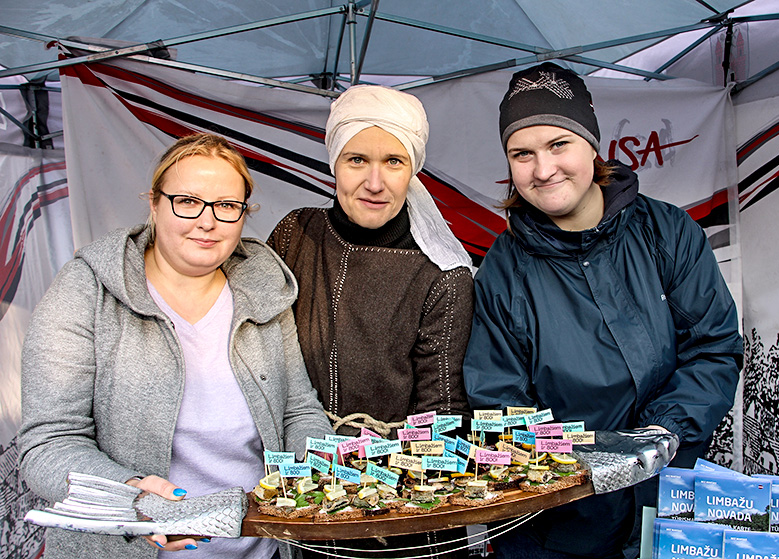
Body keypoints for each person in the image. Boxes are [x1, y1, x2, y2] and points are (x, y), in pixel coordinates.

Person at [462, 62, 743, 559]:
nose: (543, 169)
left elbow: (714, 348)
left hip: (667, 505)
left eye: (558, 145)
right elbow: (497, 399)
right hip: (557, 527)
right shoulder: (503, 270)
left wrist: (663, 433)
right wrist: (575, 466)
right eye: (521, 154)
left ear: (592, 146)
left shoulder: (667, 233)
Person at [18, 133, 333, 559]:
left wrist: (318, 466)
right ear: (153, 202)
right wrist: (130, 495)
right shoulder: (87, 290)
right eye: (187, 201)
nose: (208, 222)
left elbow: (298, 408)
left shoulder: (264, 288)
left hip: (260, 550)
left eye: (226, 206)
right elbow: (49, 442)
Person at [267, 85, 474, 557]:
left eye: (394, 162)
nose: (374, 182)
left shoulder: (441, 273)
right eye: (357, 159)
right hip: (303, 489)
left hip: (400, 509)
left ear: (413, 171)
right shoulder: (294, 234)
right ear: (334, 163)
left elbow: (442, 411)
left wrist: (381, 506)